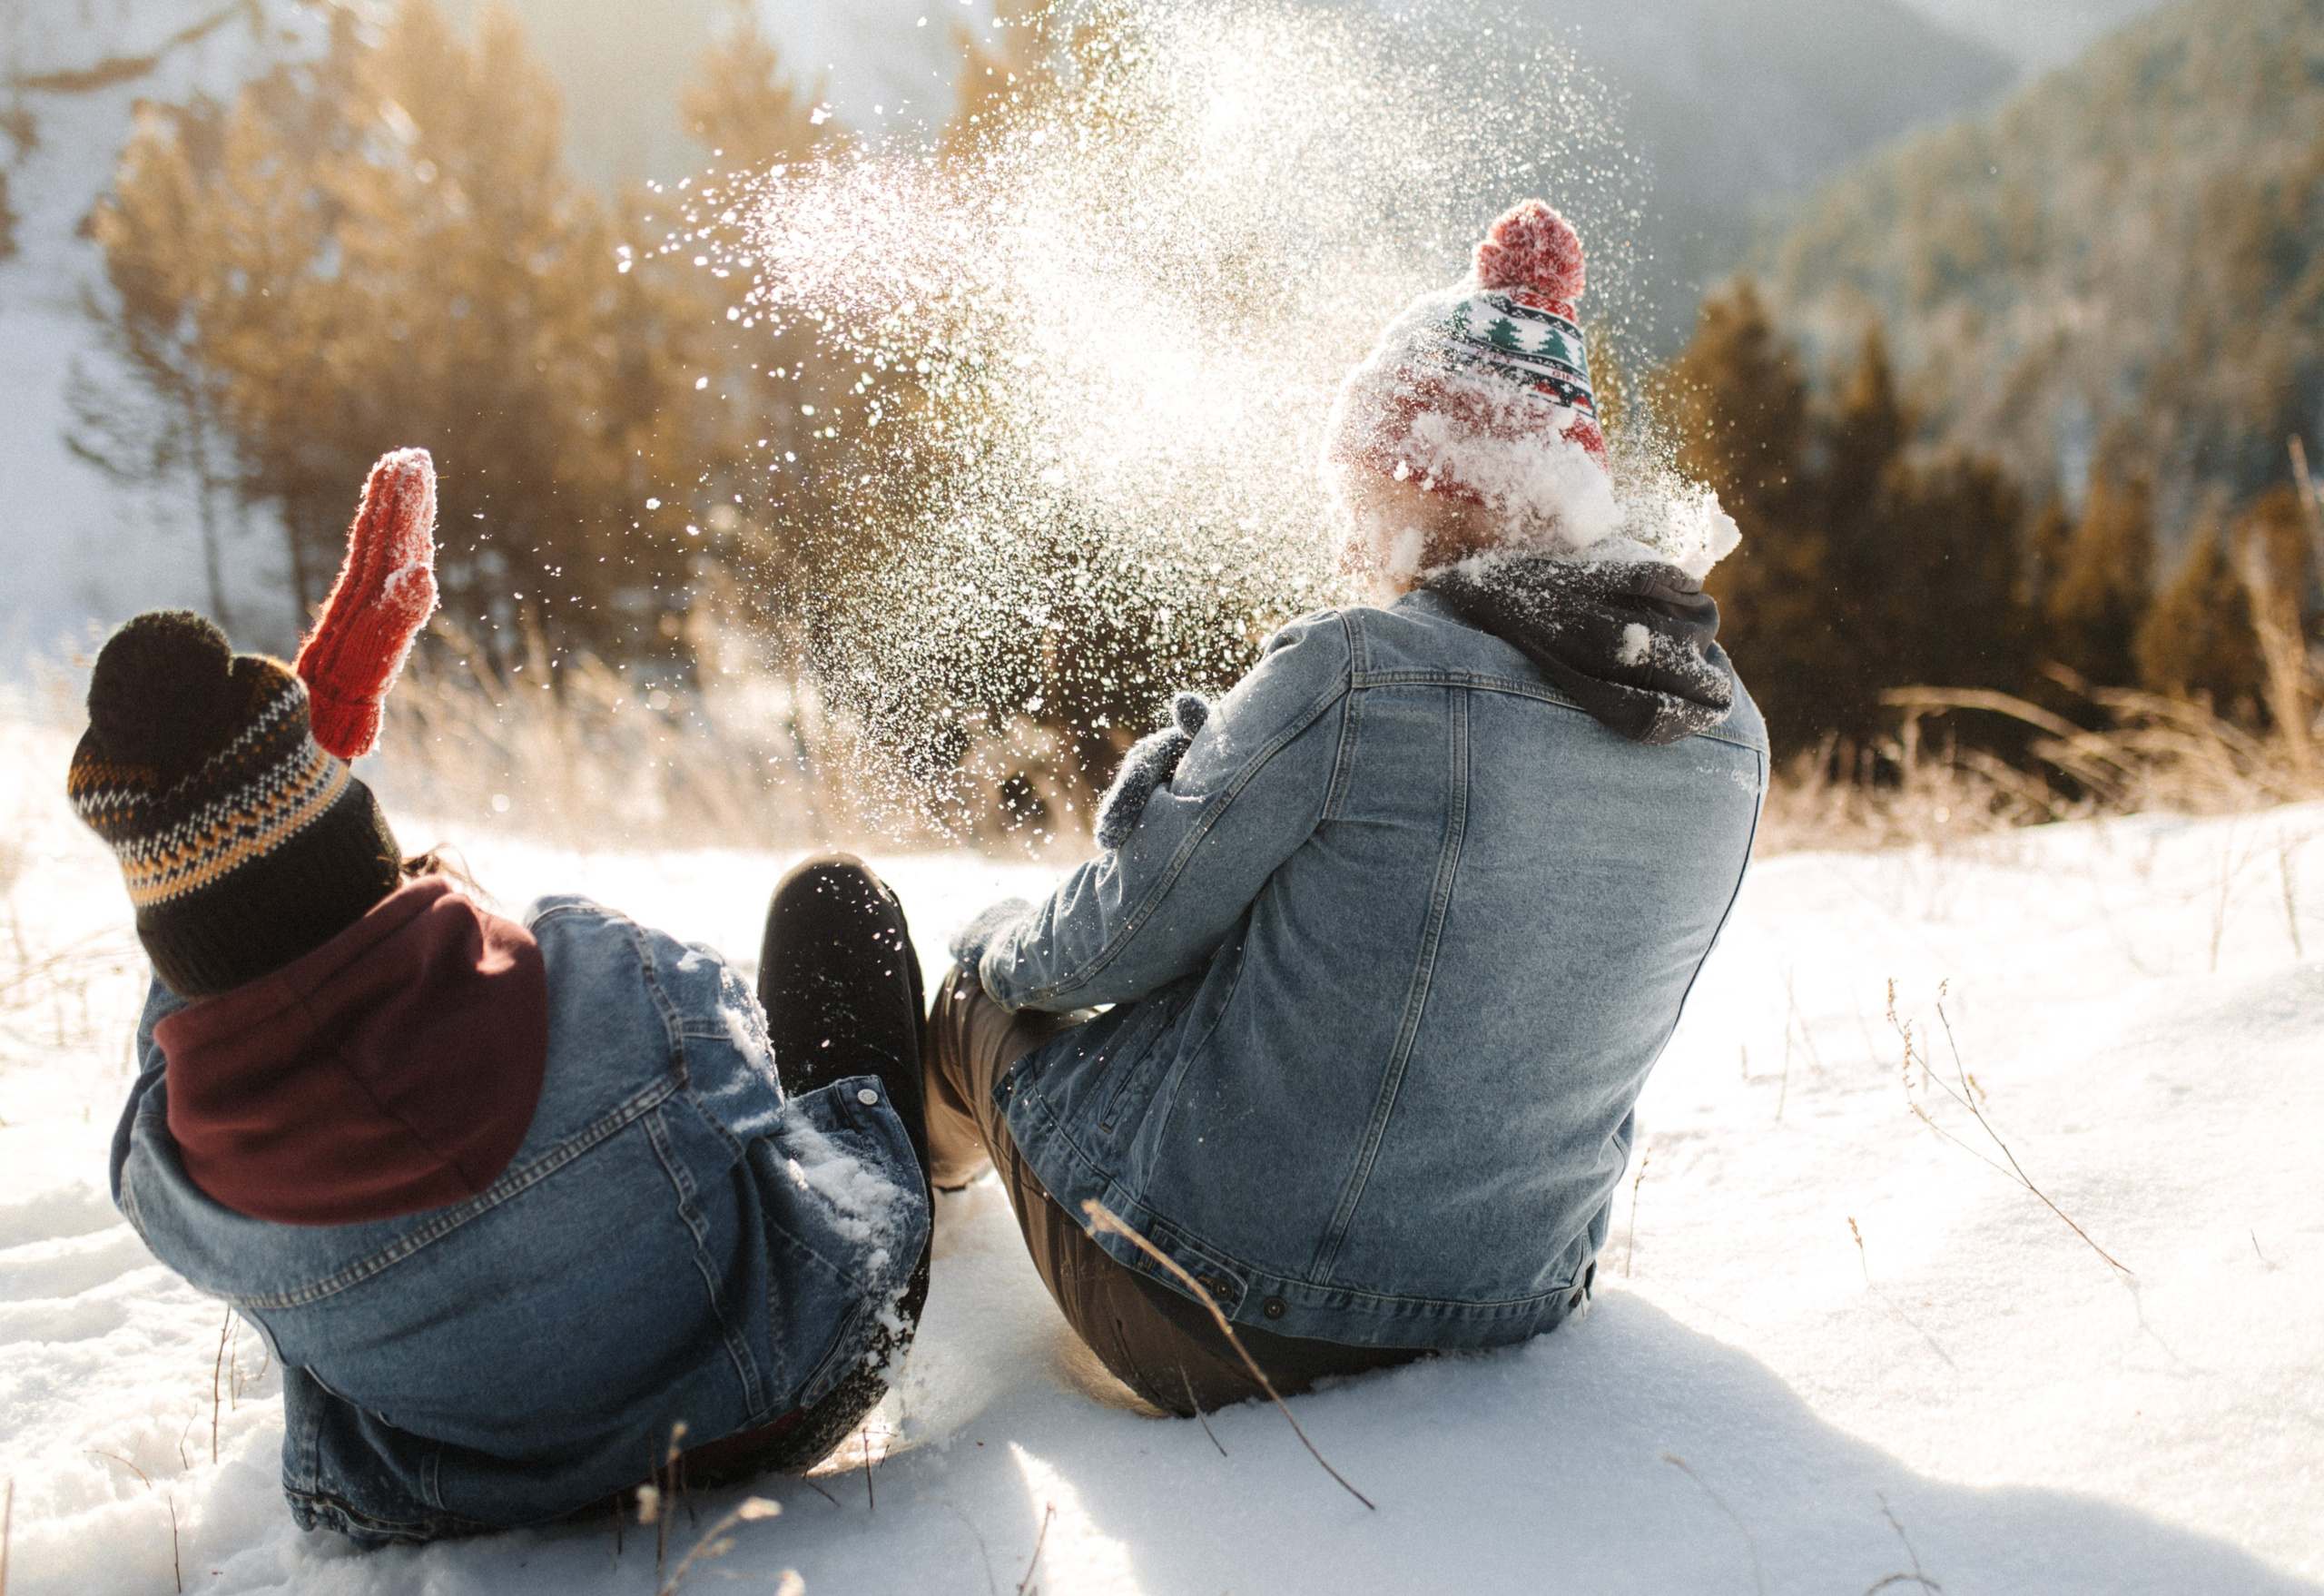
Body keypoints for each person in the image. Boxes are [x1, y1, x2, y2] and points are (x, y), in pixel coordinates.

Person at [926, 200, 1767, 1414]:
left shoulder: (1357, 670)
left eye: (1362, 491)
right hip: (1514, 1311)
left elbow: (1106, 944)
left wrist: (992, 944)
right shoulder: (1728, 729)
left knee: (974, 1003)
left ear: (1435, 493)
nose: (1347, 532)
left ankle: (903, 1268)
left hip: (1219, 1305)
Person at [72, 450, 932, 1545]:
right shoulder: (592, 970)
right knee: (831, 903)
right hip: (792, 1387)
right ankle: (943, 1137)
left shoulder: (179, 1181)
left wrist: (261, 789)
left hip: (466, 1494)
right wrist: (323, 739)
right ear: (366, 851)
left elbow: (190, 1014)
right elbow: (746, 1068)